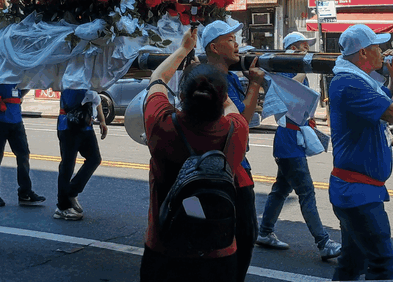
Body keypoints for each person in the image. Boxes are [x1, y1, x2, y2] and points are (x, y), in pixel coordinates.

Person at [141, 27, 249, 282]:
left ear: (181, 96)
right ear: (221, 97)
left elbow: (157, 79)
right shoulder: (236, 129)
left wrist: (183, 49)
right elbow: (230, 108)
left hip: (165, 247)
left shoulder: (161, 123)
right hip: (219, 252)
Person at [328, 24, 393, 281]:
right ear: (363, 53)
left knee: (352, 263)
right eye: (377, 47)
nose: (383, 53)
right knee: (384, 264)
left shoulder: (361, 81)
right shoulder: (350, 84)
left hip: (358, 189)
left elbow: (392, 101)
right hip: (357, 192)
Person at [256, 32, 341, 261]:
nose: (307, 48)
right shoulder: (284, 69)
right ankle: (324, 243)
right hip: (288, 138)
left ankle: (264, 232)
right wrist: (303, 66)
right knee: (306, 191)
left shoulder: (294, 70)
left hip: (290, 138)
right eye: (303, 45)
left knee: (282, 189)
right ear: (293, 48)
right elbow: (288, 91)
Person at [203, 20, 266, 282]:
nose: (236, 44)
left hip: (232, 166)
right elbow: (240, 123)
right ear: (215, 47)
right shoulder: (210, 79)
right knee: (241, 235)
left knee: (241, 235)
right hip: (225, 171)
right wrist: (254, 85)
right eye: (230, 39)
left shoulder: (226, 76)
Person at [0, 82, 45, 208]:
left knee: (23, 154)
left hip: (15, 118)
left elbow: (29, 81)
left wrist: (19, 94)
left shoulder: (18, 68)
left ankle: (25, 192)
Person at [54, 86, 108, 220]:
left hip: (85, 124)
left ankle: (71, 192)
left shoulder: (89, 73)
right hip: (68, 124)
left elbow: (95, 97)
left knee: (94, 159)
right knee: (68, 164)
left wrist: (102, 120)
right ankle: (62, 207)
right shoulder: (68, 74)